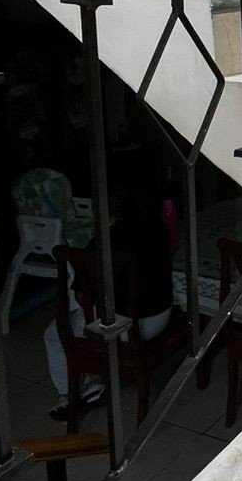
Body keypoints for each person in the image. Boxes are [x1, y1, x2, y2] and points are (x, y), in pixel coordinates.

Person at [45, 178, 174, 421]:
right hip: (158, 318)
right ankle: (91, 387)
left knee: (55, 333)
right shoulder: (158, 228)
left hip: (121, 328)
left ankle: (71, 394)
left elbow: (82, 294)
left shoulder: (104, 240)